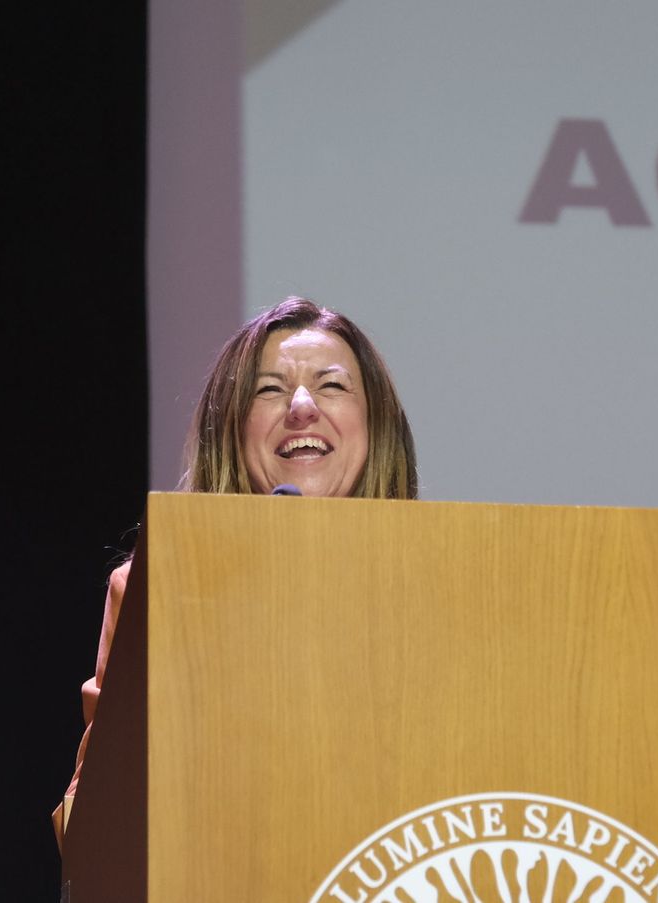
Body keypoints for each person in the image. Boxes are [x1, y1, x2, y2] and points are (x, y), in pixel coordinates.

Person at [52, 297, 418, 844]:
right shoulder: (155, 590)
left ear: (375, 424)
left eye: (333, 386)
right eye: (268, 389)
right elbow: (88, 816)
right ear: (232, 428)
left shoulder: (441, 582)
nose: (301, 406)